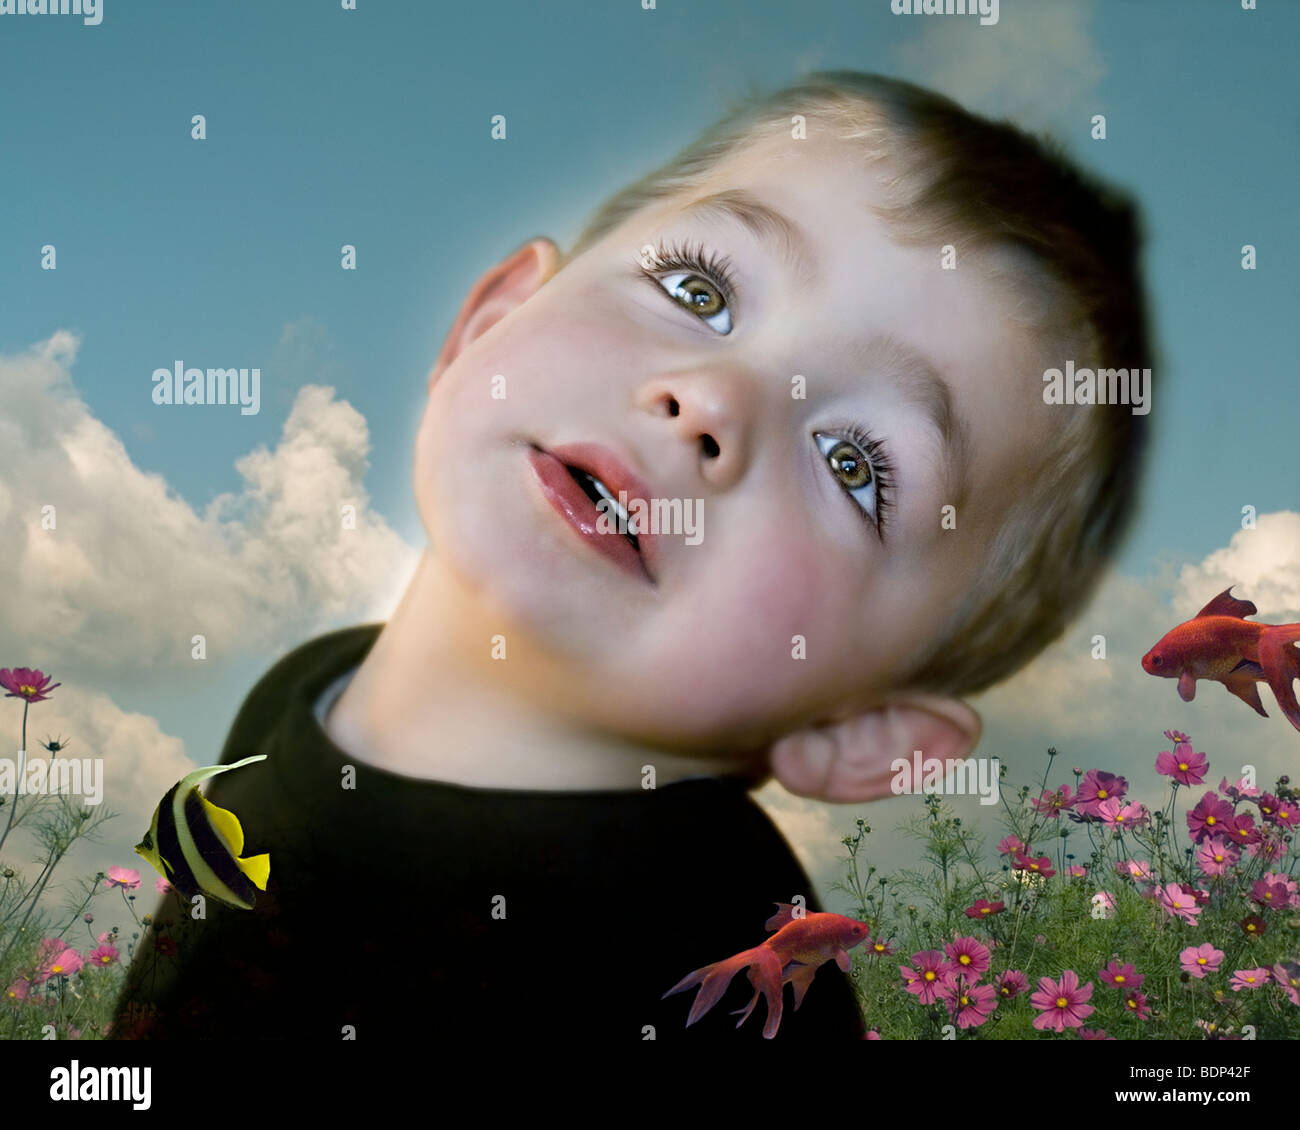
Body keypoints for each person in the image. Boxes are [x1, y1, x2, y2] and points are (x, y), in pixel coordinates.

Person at [109, 70, 1152, 1041]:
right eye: (700, 290)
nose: (712, 397)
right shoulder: (295, 697)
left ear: (860, 725)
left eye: (853, 461)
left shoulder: (733, 961)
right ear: (489, 323)